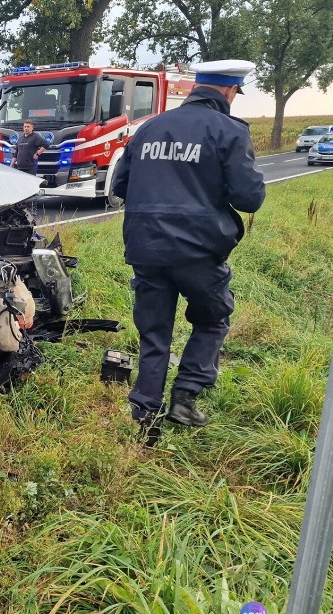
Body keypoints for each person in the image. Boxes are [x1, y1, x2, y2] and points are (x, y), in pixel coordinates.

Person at [111, 59, 266, 443]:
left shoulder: (150, 128)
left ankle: (145, 414)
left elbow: (119, 186)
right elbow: (250, 198)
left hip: (146, 249)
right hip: (199, 251)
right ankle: (185, 396)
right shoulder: (229, 131)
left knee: (154, 333)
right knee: (213, 319)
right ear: (230, 91)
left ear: (197, 88)